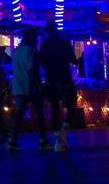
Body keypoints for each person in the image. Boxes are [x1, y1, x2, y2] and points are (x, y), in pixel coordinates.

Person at [9, 28, 51, 150]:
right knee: (39, 114)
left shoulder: (16, 51)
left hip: (18, 85)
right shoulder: (32, 51)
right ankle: (42, 140)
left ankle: (13, 139)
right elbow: (32, 68)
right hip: (31, 86)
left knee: (18, 113)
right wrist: (38, 83)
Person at [39, 20, 77, 150]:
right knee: (71, 101)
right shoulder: (64, 42)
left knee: (55, 106)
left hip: (50, 77)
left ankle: (57, 132)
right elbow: (73, 59)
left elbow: (42, 61)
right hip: (64, 76)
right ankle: (65, 124)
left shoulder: (44, 44)